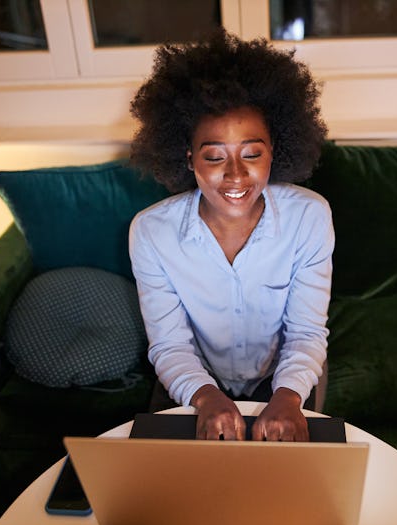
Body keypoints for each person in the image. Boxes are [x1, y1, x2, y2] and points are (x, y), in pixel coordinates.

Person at [128, 29, 333, 442]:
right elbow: (169, 344)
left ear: (275, 150)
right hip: (196, 378)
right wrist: (204, 396)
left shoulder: (309, 216)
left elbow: (306, 334)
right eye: (215, 156)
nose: (236, 175)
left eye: (252, 154)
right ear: (189, 158)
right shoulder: (151, 233)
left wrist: (289, 397)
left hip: (285, 377)